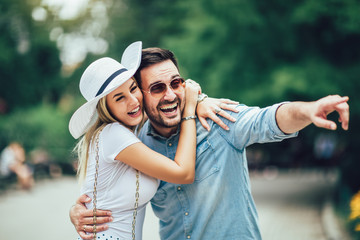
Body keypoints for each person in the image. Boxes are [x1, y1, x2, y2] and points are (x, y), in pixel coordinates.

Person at [70, 46, 350, 240]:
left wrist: (308, 110)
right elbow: (106, 187)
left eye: (176, 83)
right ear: (144, 96)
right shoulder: (136, 141)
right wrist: (77, 211)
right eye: (156, 88)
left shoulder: (218, 120)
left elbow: (268, 119)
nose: (170, 95)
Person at [68, 42, 237, 240]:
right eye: (119, 98)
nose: (132, 101)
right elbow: (183, 173)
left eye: (133, 89)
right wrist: (190, 109)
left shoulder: (132, 131)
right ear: (106, 108)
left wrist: (201, 100)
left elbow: (170, 100)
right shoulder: (113, 135)